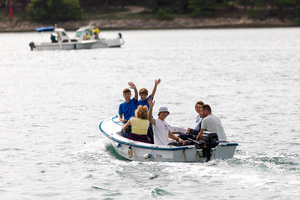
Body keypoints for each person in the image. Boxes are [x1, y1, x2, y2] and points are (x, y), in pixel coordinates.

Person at [138, 79, 161, 143]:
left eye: (144, 95)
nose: (143, 96)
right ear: (140, 95)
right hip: (142, 121)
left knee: (152, 133)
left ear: (146, 95)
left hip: (149, 120)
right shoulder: (138, 102)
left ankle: (155, 142)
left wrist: (155, 85)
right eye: (142, 95)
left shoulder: (148, 100)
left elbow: (153, 93)